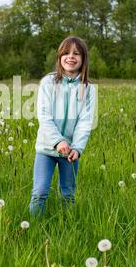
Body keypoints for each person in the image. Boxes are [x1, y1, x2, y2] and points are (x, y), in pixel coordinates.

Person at [29, 35, 98, 216]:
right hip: (46, 148)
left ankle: (68, 225)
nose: (71, 57)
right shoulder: (48, 82)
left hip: (70, 152)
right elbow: (44, 116)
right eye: (66, 53)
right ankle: (34, 228)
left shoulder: (88, 88)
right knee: (40, 192)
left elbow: (85, 121)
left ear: (83, 59)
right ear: (59, 57)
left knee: (68, 194)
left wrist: (77, 147)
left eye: (76, 53)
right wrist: (58, 141)